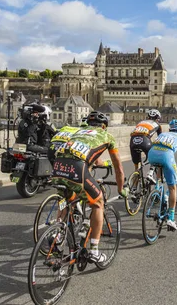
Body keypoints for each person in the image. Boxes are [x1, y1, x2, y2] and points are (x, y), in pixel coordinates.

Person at [51, 111, 128, 264]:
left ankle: (57, 235)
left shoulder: (79, 132)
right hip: (77, 168)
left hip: (57, 165)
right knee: (98, 203)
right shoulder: (106, 136)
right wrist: (120, 189)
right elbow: (119, 168)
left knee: (68, 199)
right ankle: (94, 250)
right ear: (104, 126)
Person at [148, 119, 177, 231]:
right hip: (166, 156)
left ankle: (159, 190)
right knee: (172, 187)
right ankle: (171, 218)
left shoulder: (163, 134)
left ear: (170, 128)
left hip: (152, 154)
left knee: (160, 167)